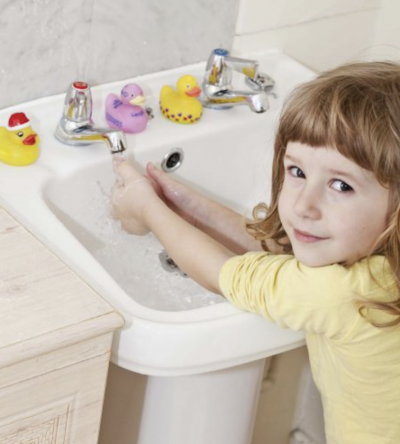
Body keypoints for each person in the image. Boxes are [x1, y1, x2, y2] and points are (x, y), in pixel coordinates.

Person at [112, 61, 400, 444]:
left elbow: (223, 273)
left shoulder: (345, 294)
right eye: (297, 172)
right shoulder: (380, 266)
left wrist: (148, 209)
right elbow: (279, 252)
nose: (304, 206)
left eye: (341, 185)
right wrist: (190, 208)